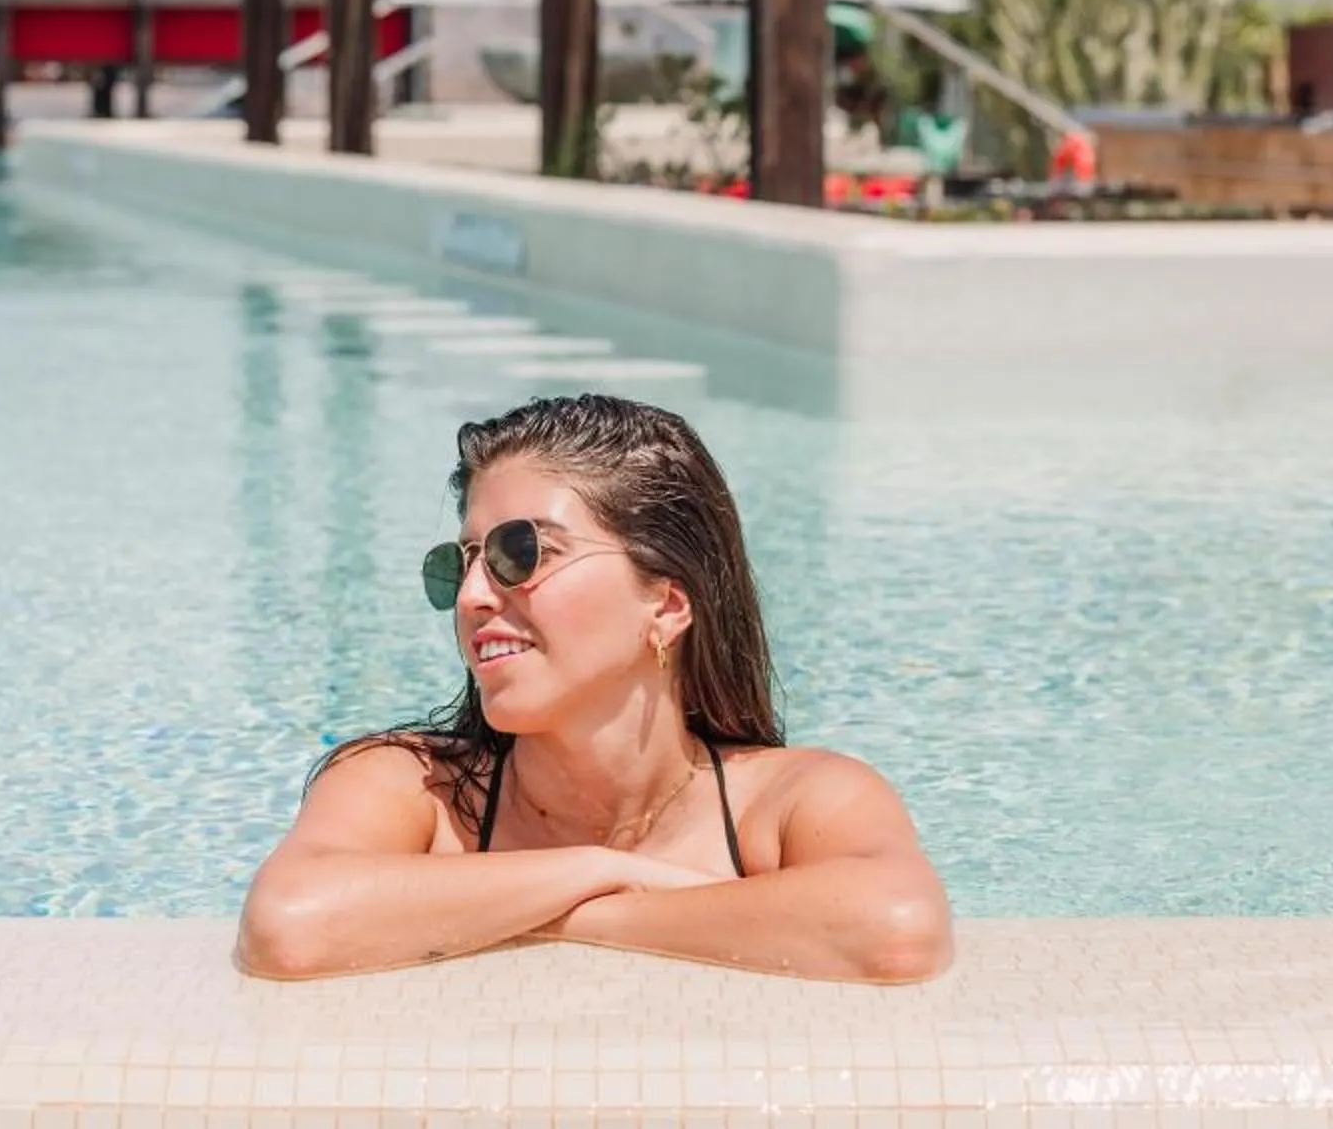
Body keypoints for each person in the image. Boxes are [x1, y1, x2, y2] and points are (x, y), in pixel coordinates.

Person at [238, 393, 952, 984]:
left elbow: (896, 930)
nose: (473, 597)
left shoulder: (796, 802)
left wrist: (577, 914)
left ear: (667, 606)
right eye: (461, 564)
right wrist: (602, 868)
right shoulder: (412, 787)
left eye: (523, 553)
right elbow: (289, 927)